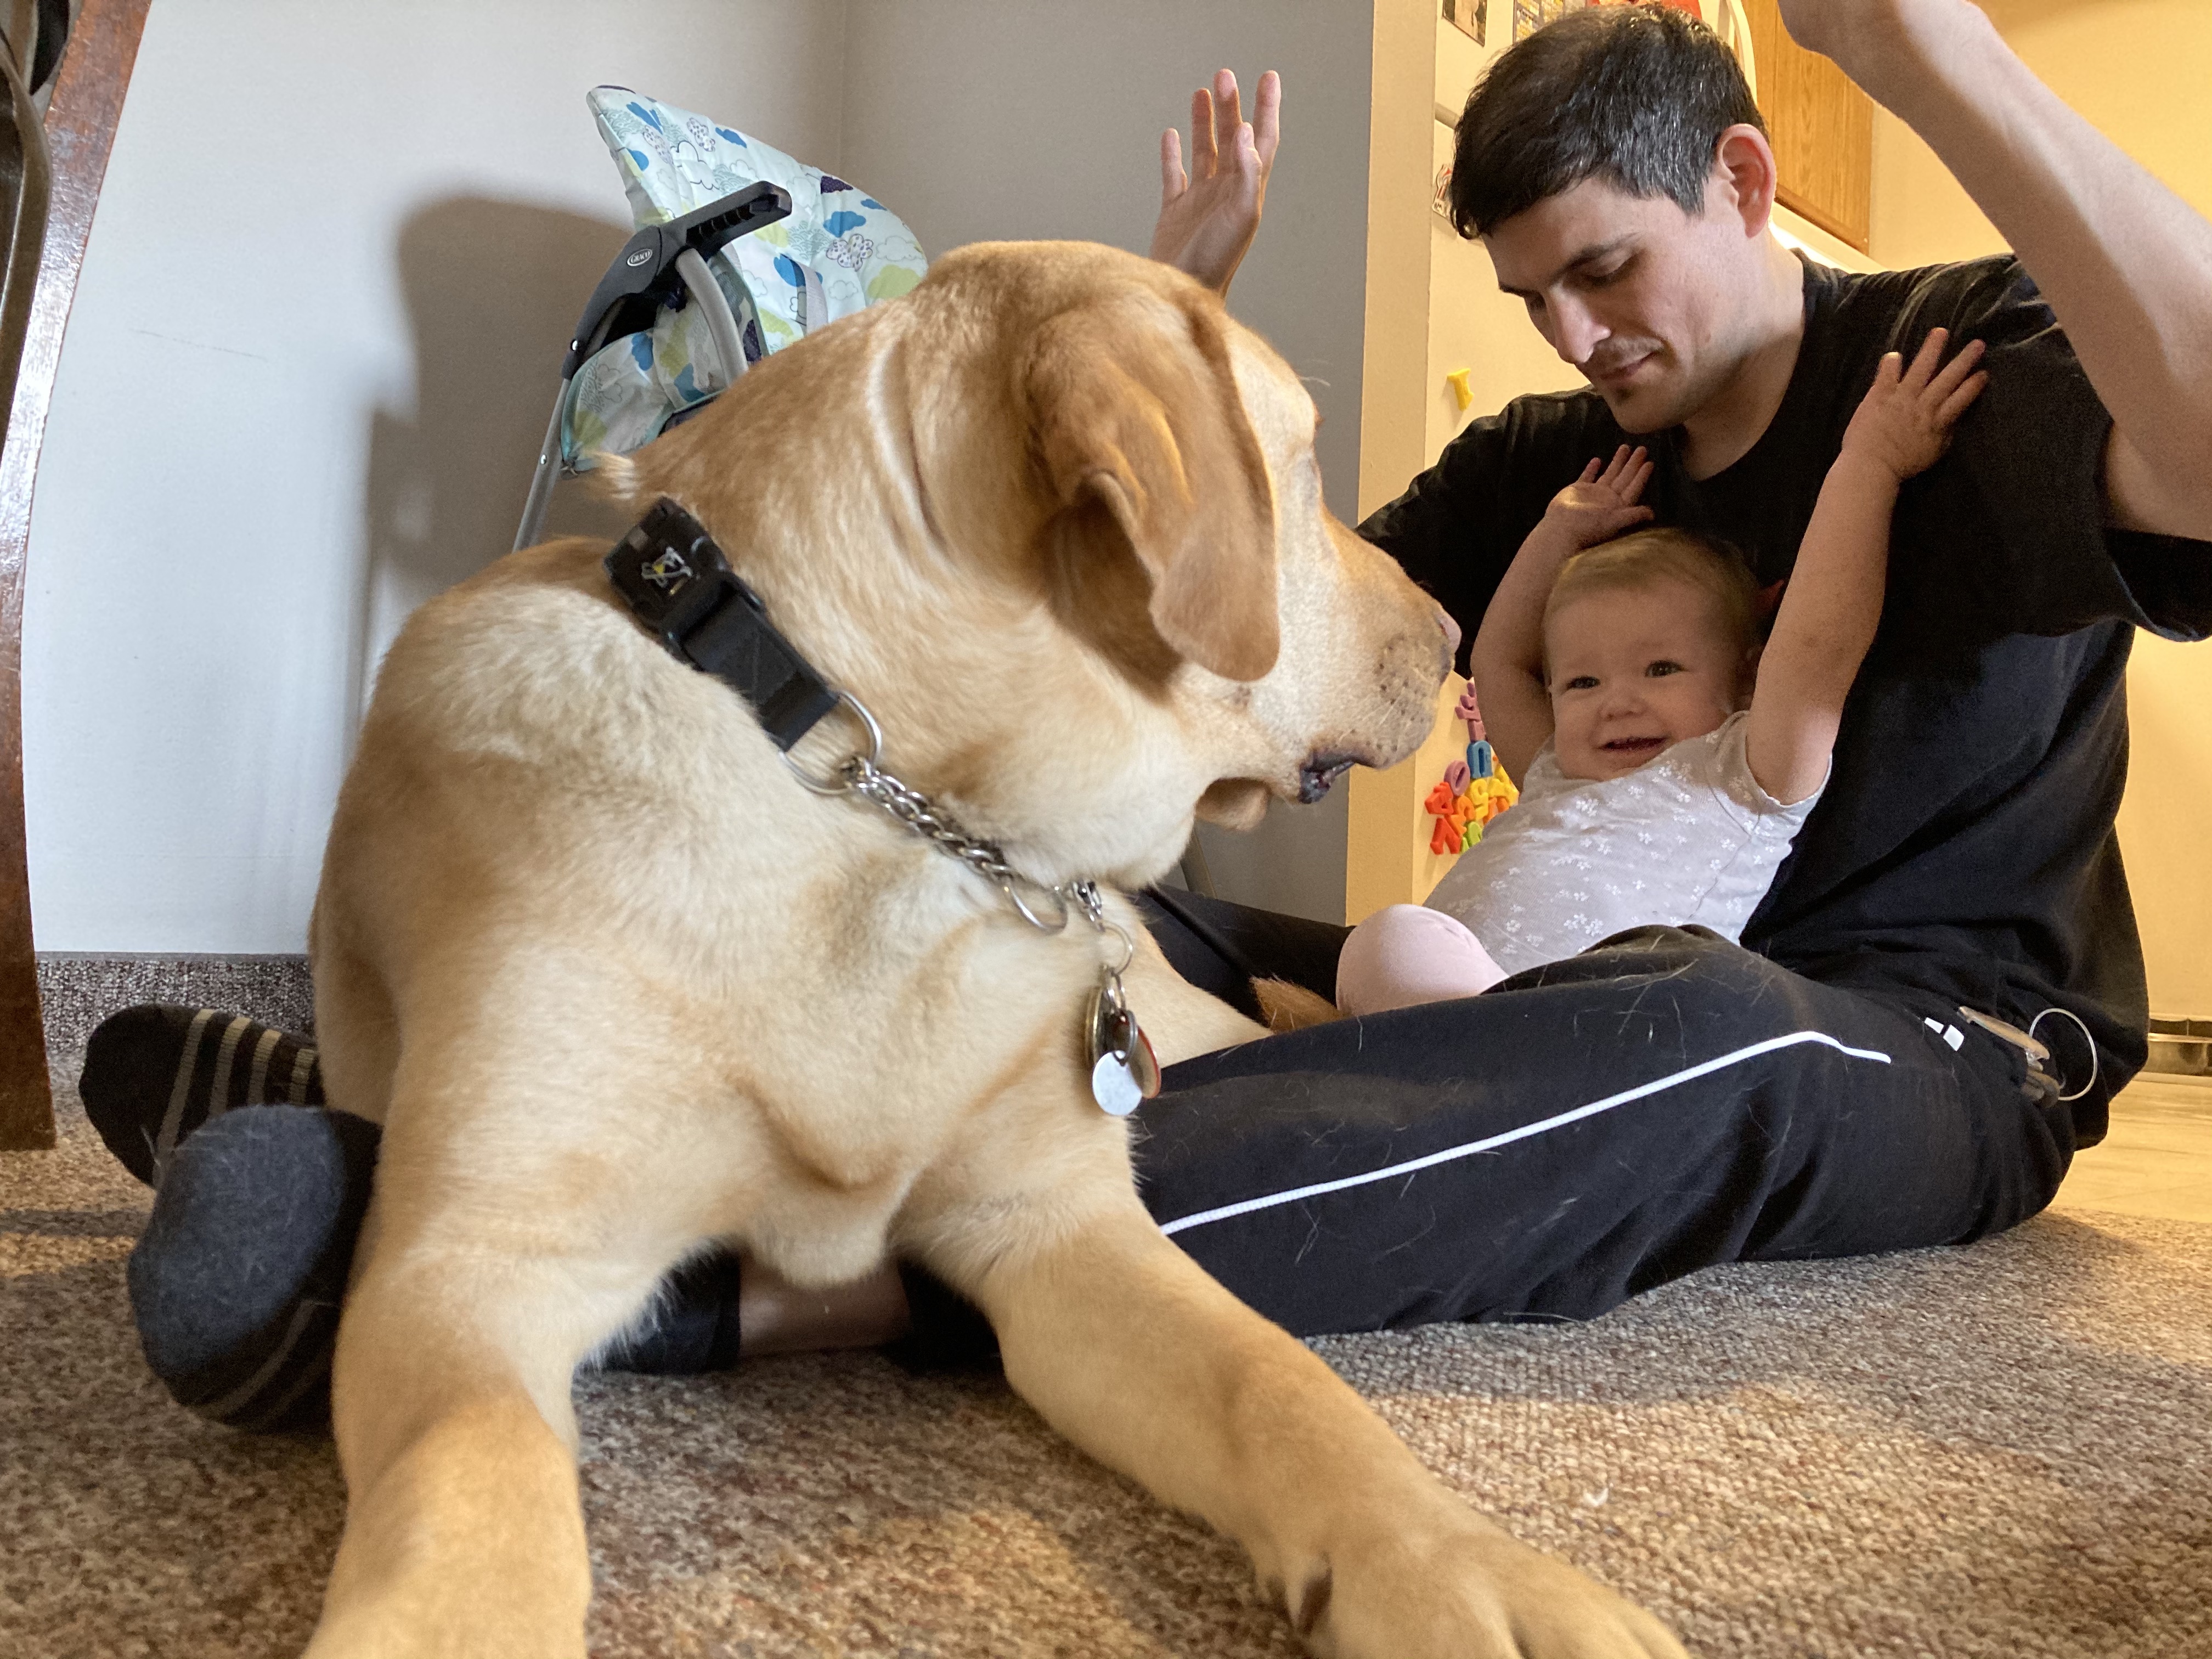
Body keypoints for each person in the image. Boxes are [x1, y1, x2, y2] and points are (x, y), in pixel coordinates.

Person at [83, 0, 2212, 1430]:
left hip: (1896, 1016)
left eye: (1608, 272)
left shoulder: (1971, 358)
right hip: (1491, 975)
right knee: (1068, 880)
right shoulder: (1569, 461)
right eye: (1534, 300)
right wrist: (1172, 298)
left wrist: (1933, 58)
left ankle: (673, 1283)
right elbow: (1211, 672)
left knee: (1707, 1039)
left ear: (1748, 186)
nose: (1576, 333)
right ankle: (516, 1128)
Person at [1340, 324, 1987, 1013]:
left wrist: (1871, 465)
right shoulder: (1556, 768)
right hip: (1454, 1018)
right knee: (1373, 951)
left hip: (1599, 1036)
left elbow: (1818, 645)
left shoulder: (1746, 780)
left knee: (1392, 944)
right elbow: (1500, 662)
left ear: (1746, 677)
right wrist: (1555, 534)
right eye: (1583, 682)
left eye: (1661, 669)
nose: (1616, 703)